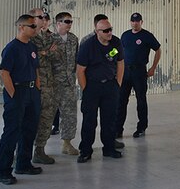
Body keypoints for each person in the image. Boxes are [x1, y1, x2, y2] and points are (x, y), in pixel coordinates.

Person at [0, 14, 43, 185]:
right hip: (18, 91)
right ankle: (4, 171)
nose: (35, 29)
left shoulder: (31, 46)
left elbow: (36, 68)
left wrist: (37, 87)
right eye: (32, 26)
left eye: (35, 26)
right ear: (21, 27)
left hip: (32, 92)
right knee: (12, 131)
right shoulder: (12, 48)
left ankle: (23, 163)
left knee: (29, 129)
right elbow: (4, 72)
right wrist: (13, 94)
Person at [75, 19, 124, 163]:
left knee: (109, 119)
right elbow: (80, 70)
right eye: (106, 31)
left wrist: (118, 84)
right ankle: (85, 151)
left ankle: (109, 148)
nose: (110, 33)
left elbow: (120, 62)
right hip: (92, 86)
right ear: (97, 32)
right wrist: (86, 89)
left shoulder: (116, 42)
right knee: (89, 121)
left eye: (111, 29)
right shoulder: (88, 46)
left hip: (110, 86)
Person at [115, 12, 162, 139]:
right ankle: (118, 129)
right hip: (125, 72)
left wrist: (153, 67)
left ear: (141, 22)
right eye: (133, 21)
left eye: (137, 21)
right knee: (121, 101)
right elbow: (118, 50)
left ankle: (141, 127)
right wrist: (109, 56)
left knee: (141, 100)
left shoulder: (147, 36)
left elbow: (158, 49)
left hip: (139, 72)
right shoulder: (125, 35)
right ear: (130, 22)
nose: (135, 23)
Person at [30, 7, 63, 165]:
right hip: (33, 86)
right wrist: (45, 53)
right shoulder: (27, 37)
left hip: (49, 86)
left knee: (46, 119)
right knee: (28, 120)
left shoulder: (49, 37)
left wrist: (44, 53)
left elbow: (58, 55)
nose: (44, 19)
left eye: (44, 17)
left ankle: (39, 150)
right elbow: (32, 58)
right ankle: (21, 152)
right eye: (40, 17)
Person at [51, 12, 80, 155]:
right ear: (58, 23)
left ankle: (67, 143)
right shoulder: (50, 39)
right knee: (46, 116)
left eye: (70, 22)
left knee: (69, 114)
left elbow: (76, 61)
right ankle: (39, 148)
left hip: (69, 83)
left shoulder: (74, 39)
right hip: (53, 83)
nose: (69, 24)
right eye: (66, 21)